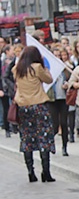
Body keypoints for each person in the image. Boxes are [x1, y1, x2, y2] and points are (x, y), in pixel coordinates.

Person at [13, 46, 55, 182]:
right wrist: (46, 68)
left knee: (27, 138)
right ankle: (46, 172)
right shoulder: (37, 67)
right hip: (38, 104)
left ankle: (31, 172)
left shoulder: (17, 69)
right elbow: (49, 80)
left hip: (23, 106)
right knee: (44, 137)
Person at [47, 48, 72, 156]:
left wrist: (68, 85)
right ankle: (51, 143)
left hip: (63, 99)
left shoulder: (65, 69)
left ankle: (64, 147)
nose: (57, 58)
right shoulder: (48, 70)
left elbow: (71, 80)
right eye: (55, 55)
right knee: (55, 124)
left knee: (64, 122)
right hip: (52, 99)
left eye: (59, 56)